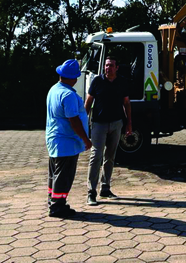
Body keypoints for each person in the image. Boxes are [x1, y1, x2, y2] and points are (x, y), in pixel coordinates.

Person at [46, 59, 92, 218]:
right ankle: (58, 207)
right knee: (64, 176)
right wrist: (86, 140)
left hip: (54, 140)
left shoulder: (54, 89)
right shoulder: (68, 95)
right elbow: (74, 121)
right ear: (73, 78)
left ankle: (53, 202)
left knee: (55, 174)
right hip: (67, 142)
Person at [84, 57, 132, 205]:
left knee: (110, 157)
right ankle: (91, 192)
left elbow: (126, 103)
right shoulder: (97, 81)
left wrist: (129, 124)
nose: (108, 68)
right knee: (96, 155)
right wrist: (83, 122)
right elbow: (88, 102)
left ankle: (105, 188)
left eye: (111, 65)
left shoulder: (122, 82)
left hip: (116, 123)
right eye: (106, 65)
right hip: (99, 124)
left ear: (117, 67)